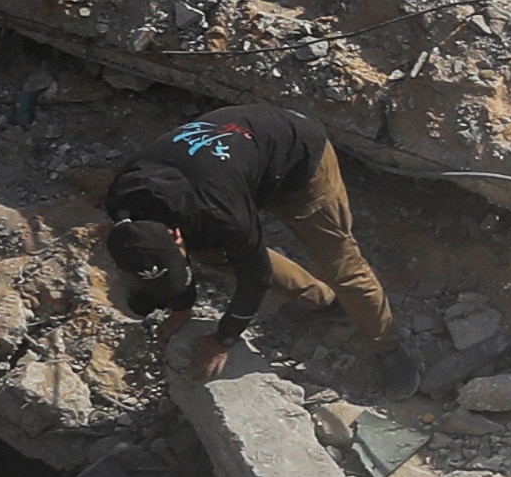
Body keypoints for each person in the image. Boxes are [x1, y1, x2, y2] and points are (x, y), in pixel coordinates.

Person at [99, 102, 393, 375]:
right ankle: (325, 304)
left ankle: (389, 346)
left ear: (176, 234)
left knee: (339, 263)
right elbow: (170, 256)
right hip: (234, 170)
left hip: (299, 157)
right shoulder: (122, 202)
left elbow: (257, 274)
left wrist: (223, 339)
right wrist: (181, 308)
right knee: (211, 252)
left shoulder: (219, 214)